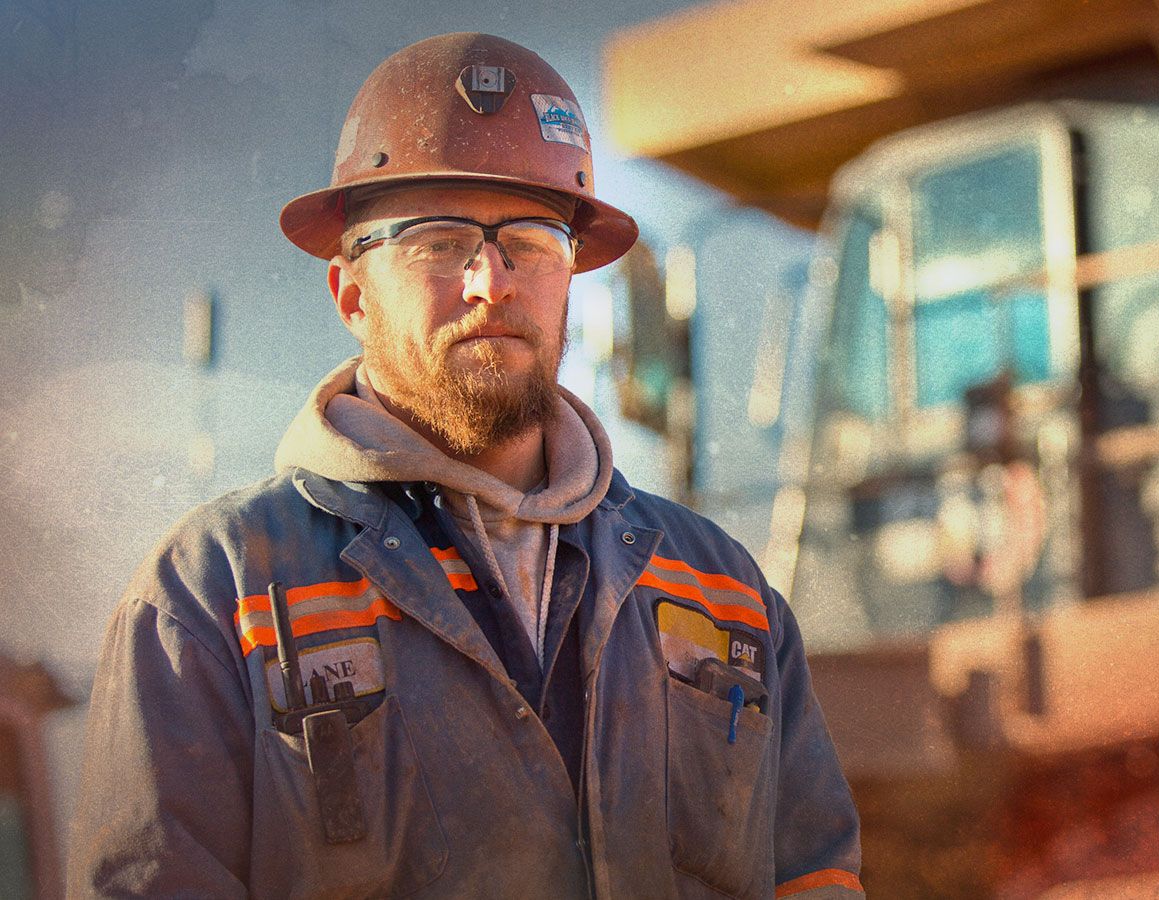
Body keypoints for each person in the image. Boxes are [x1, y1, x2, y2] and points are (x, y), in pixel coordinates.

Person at [68, 33, 862, 899]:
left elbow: (813, 873)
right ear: (352, 295)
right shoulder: (213, 595)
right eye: (438, 243)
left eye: (531, 239)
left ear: (570, 276)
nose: (492, 280)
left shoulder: (726, 590)